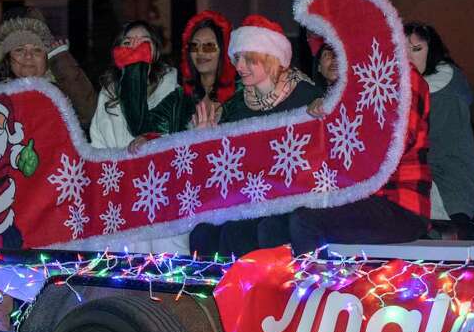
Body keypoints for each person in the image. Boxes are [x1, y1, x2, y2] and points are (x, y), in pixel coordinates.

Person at [257, 65, 433, 255]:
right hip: (357, 198)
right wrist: (323, 120)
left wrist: (337, 120)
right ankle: (282, 284)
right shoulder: (353, 78)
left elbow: (391, 146)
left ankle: (317, 284)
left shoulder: (403, 77)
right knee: (271, 227)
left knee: (305, 221)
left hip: (399, 204)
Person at [187, 15, 322, 258]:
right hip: (251, 198)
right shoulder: (238, 105)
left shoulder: (305, 96)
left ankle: (265, 292)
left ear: (270, 59)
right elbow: (223, 167)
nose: (239, 67)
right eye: (237, 58)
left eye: (248, 59)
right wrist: (206, 141)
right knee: (203, 233)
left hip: (297, 198)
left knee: (259, 231)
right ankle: (213, 292)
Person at [88, 21, 185, 254]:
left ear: (156, 49)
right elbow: (98, 140)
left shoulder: (173, 84)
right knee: (130, 262)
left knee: (169, 261)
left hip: (165, 190)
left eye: (144, 42)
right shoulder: (109, 91)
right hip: (123, 189)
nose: (136, 46)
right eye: (128, 42)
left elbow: (178, 130)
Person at [404, 21, 474, 239]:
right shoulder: (405, 91)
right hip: (424, 189)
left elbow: (434, 149)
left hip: (445, 192)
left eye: (417, 49)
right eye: (401, 51)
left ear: (432, 52)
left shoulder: (444, 94)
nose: (409, 57)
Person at [0, 13, 97, 128]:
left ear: (46, 59)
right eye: (19, 50)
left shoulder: (61, 93)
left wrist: (63, 63)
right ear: (7, 59)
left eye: (37, 50)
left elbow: (89, 116)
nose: (28, 56)